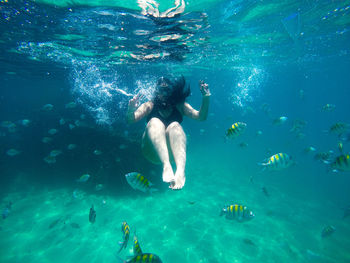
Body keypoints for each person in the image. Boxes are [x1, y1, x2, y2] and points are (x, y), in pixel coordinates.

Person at [127, 76, 210, 189]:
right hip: (152, 152)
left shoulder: (180, 106)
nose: (164, 94)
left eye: (167, 90)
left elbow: (201, 117)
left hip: (173, 154)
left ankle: (180, 171)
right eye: (161, 90)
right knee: (155, 121)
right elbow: (130, 119)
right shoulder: (149, 105)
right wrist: (131, 109)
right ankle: (166, 165)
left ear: (173, 90)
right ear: (156, 91)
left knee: (174, 125)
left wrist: (206, 97)